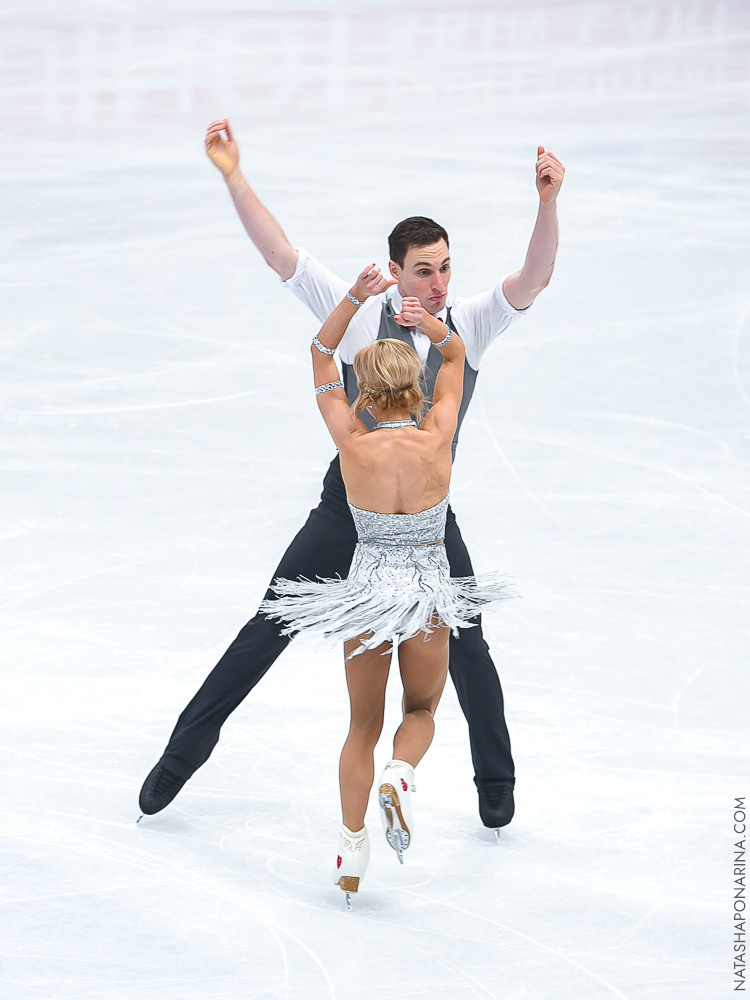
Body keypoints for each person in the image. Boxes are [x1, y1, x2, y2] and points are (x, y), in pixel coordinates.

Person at [138, 119, 565, 831]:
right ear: (396, 270)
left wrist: (548, 204)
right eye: (423, 269)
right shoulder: (363, 314)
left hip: (427, 526)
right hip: (349, 511)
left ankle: (495, 779)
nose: (437, 282)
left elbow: (536, 277)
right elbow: (281, 255)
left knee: (470, 641)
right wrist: (232, 173)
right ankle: (181, 757)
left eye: (445, 267)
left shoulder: (469, 325)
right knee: (269, 621)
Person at [259, 264, 508, 903]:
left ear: (365, 395)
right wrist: (424, 320)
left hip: (367, 593)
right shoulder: (439, 437)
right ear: (417, 394)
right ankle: (401, 774)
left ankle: (351, 846)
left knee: (359, 726)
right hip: (428, 592)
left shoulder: (352, 442)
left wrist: (355, 297)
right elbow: (453, 355)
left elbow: (319, 352)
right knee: (420, 710)